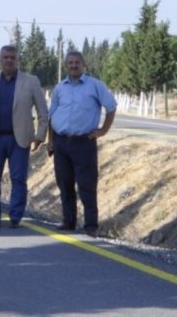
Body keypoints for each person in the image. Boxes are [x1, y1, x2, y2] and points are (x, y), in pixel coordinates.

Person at [0, 45, 49, 229]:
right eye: (5, 57)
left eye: (12, 58)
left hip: (19, 139)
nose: (8, 60)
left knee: (18, 179)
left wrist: (40, 135)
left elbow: (43, 111)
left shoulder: (30, 81)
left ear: (17, 60)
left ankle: (15, 216)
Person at [48, 51, 117, 237]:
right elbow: (51, 116)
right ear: (66, 65)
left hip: (84, 143)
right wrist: (50, 141)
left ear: (83, 65)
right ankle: (68, 222)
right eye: (70, 63)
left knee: (86, 185)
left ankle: (90, 226)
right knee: (64, 183)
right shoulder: (59, 88)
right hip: (61, 142)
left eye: (77, 62)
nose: (73, 65)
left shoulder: (95, 86)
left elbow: (111, 107)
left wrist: (103, 131)